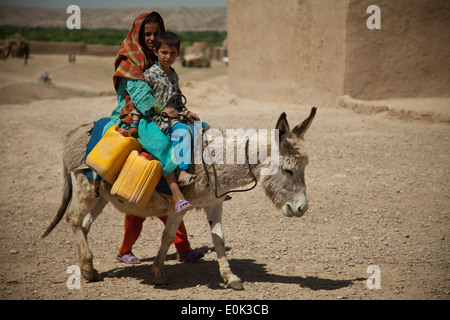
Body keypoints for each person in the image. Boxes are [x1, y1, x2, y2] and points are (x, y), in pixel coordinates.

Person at [102, 12, 202, 264]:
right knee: (146, 173)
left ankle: (183, 246)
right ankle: (127, 248)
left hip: (161, 115)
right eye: (147, 34)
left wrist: (182, 111)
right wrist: (160, 111)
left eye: (156, 33)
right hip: (134, 115)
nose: (152, 38)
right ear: (138, 34)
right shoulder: (131, 60)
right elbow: (137, 94)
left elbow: (174, 93)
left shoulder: (160, 60)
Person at [143, 31, 200, 187]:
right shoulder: (149, 75)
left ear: (178, 54)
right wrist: (161, 110)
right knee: (182, 131)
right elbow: (144, 100)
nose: (168, 57)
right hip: (159, 120)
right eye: (164, 52)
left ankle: (205, 176)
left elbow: (176, 100)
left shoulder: (174, 75)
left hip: (176, 117)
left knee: (202, 129)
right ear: (155, 52)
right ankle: (182, 173)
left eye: (172, 53)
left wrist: (187, 112)